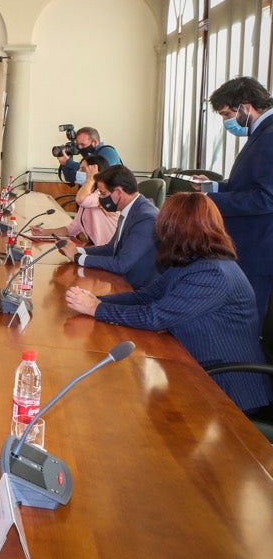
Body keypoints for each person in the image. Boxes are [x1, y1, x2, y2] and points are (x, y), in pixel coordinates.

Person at [65, 193, 272, 414]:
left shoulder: (213, 273)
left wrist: (96, 309)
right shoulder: (192, 261)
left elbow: (155, 316)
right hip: (196, 369)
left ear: (176, 228)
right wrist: (96, 300)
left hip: (227, 388)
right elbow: (147, 296)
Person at [202, 76, 273, 315]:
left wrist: (210, 201)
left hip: (258, 245)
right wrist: (213, 187)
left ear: (245, 106)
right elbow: (248, 184)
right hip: (251, 241)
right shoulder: (261, 132)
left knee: (247, 319)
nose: (225, 121)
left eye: (225, 114)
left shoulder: (269, 135)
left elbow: (266, 198)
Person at [58, 164, 159, 289]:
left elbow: (121, 264)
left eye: (103, 193)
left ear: (118, 192)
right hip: (124, 281)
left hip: (138, 289)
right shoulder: (132, 209)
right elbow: (111, 249)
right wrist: (76, 250)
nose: (100, 198)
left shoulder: (146, 218)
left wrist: (78, 258)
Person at [31, 154, 119, 247]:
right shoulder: (89, 196)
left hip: (112, 251)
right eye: (79, 168)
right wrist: (44, 232)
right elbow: (71, 229)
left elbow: (81, 199)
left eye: (83, 170)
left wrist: (90, 179)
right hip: (100, 249)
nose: (78, 172)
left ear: (96, 173)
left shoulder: (103, 194)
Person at [58, 126, 123, 185]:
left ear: (95, 142)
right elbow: (70, 177)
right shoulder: (88, 157)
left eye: (83, 145)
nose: (80, 148)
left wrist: (68, 162)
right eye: (78, 145)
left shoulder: (108, 151)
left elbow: (97, 170)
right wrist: (64, 163)